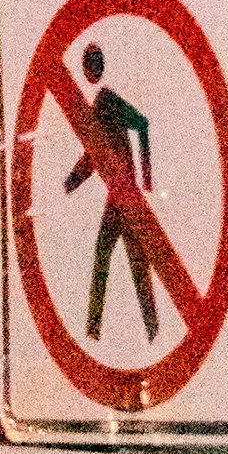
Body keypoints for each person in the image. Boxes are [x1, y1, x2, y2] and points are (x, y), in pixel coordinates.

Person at [66, 41, 158, 344]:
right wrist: (70, 183)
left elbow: (142, 122)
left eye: (91, 66)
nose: (88, 71)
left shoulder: (107, 100)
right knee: (130, 260)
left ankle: (101, 329)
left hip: (125, 196)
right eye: (87, 66)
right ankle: (148, 330)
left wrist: (145, 178)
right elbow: (96, 156)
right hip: (118, 196)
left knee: (121, 258)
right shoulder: (96, 107)